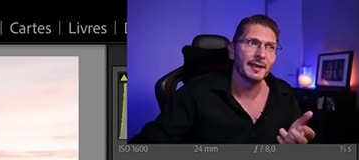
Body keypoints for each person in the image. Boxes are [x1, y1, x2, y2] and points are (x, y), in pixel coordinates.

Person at [131, 15, 315, 144]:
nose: (261, 54)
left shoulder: (285, 94)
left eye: (270, 47)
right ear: (232, 50)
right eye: (252, 43)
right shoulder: (196, 92)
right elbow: (146, 146)